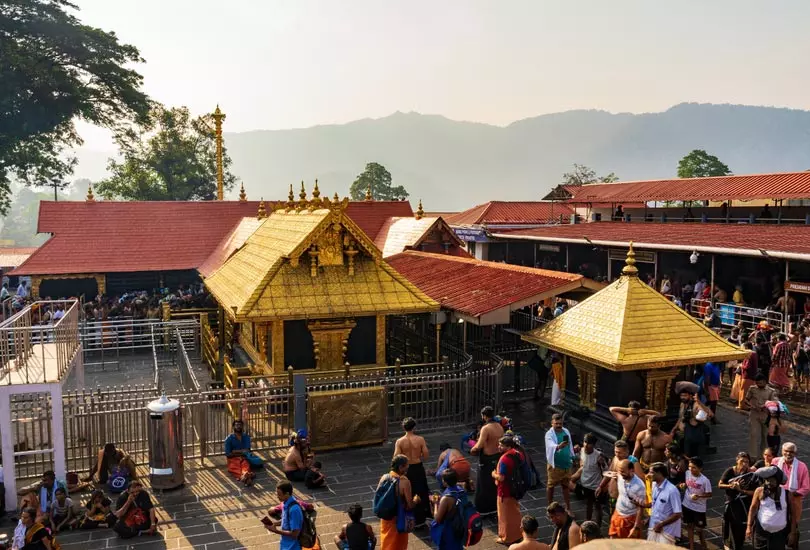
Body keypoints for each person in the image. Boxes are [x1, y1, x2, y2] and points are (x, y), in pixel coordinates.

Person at [747, 466, 797, 549]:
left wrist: (792, 532)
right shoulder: (759, 491)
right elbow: (753, 509)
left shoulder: (787, 494)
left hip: (780, 534)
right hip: (761, 533)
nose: (769, 483)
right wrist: (749, 526)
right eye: (767, 480)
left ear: (778, 482)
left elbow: (793, 514)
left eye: (772, 480)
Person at [393, 417, 430, 527]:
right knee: (420, 491)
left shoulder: (399, 441)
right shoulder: (420, 439)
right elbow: (426, 455)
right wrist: (418, 455)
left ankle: (409, 516)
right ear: (414, 427)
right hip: (418, 467)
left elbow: (396, 457)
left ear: (403, 427)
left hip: (406, 469)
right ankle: (421, 518)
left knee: (407, 492)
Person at [470, 406, 504, 515]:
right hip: (497, 457)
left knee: (483, 484)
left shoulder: (486, 428)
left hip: (487, 459)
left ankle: (484, 509)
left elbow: (479, 445)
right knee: (494, 484)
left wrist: (472, 449)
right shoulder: (499, 426)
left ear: (484, 416)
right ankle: (495, 506)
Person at [718, 452, 755, 550]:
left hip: (744, 505)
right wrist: (731, 486)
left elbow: (754, 492)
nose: (744, 464)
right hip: (731, 504)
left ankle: (739, 544)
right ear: (737, 461)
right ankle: (728, 544)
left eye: (746, 462)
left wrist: (741, 490)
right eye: (742, 461)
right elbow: (720, 484)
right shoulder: (730, 471)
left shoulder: (750, 475)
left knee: (740, 527)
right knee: (729, 525)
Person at [377, 455, 416, 550]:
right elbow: (410, 505)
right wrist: (416, 500)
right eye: (406, 466)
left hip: (386, 517)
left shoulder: (384, 478)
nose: (407, 468)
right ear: (400, 467)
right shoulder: (404, 482)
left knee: (386, 540)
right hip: (398, 517)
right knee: (398, 544)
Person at [569, 433, 607, 527]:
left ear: (593, 445)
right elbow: (574, 459)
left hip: (595, 486)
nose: (586, 445)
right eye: (585, 442)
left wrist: (602, 464)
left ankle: (598, 526)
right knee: (588, 504)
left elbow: (606, 471)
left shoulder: (598, 456)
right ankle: (588, 522)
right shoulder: (581, 451)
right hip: (585, 484)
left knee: (597, 506)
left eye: (589, 443)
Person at [493, 436, 525, 545]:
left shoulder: (504, 459)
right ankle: (518, 533)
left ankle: (507, 538)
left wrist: (494, 474)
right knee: (515, 512)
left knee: (504, 516)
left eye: (501, 445)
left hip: (505, 491)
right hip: (515, 488)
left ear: (508, 446)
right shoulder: (518, 454)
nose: (499, 447)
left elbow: (501, 477)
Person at [644, 462, 682, 545]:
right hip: (653, 526)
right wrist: (642, 505)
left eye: (651, 472)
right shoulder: (654, 485)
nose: (649, 474)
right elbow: (654, 503)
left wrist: (661, 524)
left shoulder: (672, 490)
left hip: (666, 531)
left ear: (659, 473)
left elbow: (678, 514)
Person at [607, 459, 645, 539]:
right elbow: (617, 475)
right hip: (617, 513)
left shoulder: (639, 486)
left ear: (631, 470)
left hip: (630, 518)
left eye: (623, 472)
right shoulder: (620, 476)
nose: (621, 474)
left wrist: (636, 527)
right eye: (619, 471)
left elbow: (640, 508)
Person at [430, 469, 466, 550]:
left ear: (445, 482)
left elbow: (437, 519)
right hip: (460, 526)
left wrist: (435, 503)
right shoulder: (462, 490)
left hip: (449, 529)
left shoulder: (446, 499)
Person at [681, 457, 712, 550]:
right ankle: (691, 546)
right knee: (689, 526)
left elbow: (709, 494)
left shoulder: (705, 480)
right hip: (686, 504)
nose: (691, 469)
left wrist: (699, 497)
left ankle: (704, 546)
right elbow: (687, 484)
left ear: (700, 469)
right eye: (690, 467)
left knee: (699, 530)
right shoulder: (687, 473)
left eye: (693, 467)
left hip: (699, 508)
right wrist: (683, 486)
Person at [545, 413, 574, 511]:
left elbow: (569, 445)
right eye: (556, 423)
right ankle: (550, 507)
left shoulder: (566, 431)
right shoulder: (549, 434)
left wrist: (573, 454)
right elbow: (550, 445)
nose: (558, 425)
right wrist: (558, 446)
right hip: (555, 465)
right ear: (552, 424)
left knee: (566, 486)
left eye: (560, 423)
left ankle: (568, 507)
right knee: (551, 486)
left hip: (566, 464)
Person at [672, 388, 712, 458]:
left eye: (685, 395)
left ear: (690, 396)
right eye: (681, 396)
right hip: (684, 435)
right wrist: (673, 429)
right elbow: (680, 418)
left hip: (694, 435)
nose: (682, 397)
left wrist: (699, 402)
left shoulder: (696, 404)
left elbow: (709, 415)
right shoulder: (682, 404)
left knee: (692, 456)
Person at [745, 375, 777, 458]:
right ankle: (753, 456)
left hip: (765, 415)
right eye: (757, 383)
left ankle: (763, 455)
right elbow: (746, 399)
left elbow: (775, 403)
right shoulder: (752, 389)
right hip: (754, 414)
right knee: (753, 434)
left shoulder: (771, 391)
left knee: (765, 435)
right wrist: (750, 405)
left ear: (765, 381)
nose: (758, 384)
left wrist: (765, 405)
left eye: (760, 382)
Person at [265, 481, 303, 550]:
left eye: (279, 494)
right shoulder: (286, 503)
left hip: (293, 546)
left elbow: (295, 534)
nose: (277, 496)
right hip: (285, 544)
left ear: (287, 494)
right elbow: (286, 519)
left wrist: (276, 531)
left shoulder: (294, 510)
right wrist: (274, 523)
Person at [225, 419, 257, 486]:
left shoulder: (246, 437)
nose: (238, 426)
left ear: (242, 426)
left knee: (245, 466)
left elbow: (247, 451)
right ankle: (248, 477)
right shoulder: (229, 438)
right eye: (236, 425)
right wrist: (242, 451)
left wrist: (235, 451)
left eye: (240, 425)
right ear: (233, 427)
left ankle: (245, 477)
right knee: (234, 468)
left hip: (244, 458)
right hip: (233, 459)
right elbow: (228, 454)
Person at [737, 342, 759, 410]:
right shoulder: (754, 354)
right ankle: (744, 404)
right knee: (746, 391)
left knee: (743, 391)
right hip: (751, 375)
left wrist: (741, 365)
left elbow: (747, 366)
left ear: (746, 347)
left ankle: (742, 405)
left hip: (747, 375)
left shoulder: (749, 354)